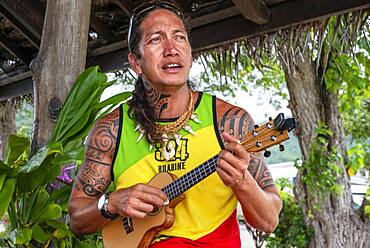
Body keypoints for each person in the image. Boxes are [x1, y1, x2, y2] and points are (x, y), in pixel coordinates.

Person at [68, 1, 282, 247]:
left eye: (179, 37)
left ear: (190, 55)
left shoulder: (229, 122)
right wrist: (111, 203)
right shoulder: (110, 131)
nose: (171, 48)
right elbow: (77, 219)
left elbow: (269, 220)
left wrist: (242, 182)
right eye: (156, 40)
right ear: (136, 62)